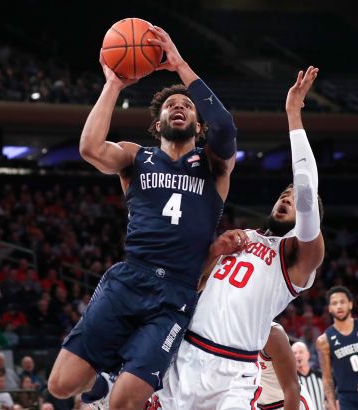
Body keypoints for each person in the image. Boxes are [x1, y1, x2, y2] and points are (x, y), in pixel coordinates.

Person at [48, 25, 238, 410]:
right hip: (129, 279)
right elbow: (89, 148)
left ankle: (119, 369)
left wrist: (180, 64)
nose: (179, 107)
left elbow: (227, 126)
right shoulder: (136, 157)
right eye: (171, 105)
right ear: (157, 125)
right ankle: (111, 366)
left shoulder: (214, 166)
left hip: (175, 295)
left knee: (122, 404)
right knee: (60, 387)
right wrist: (114, 86)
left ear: (199, 126)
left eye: (187, 106)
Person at [151, 66, 324, 410]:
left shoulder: (299, 257)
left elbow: (306, 191)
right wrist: (214, 251)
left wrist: (292, 114)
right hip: (186, 354)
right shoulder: (240, 235)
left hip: (235, 372)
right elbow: (195, 281)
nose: (288, 196)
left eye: (295, 196)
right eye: (283, 192)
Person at [258, 323, 316, 410]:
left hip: (288, 403)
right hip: (259, 405)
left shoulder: (272, 334)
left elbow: (292, 388)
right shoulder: (237, 335)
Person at [292, 341, 325, 410]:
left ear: (308, 355)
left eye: (301, 352)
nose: (298, 355)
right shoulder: (291, 381)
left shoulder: (320, 376)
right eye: (294, 353)